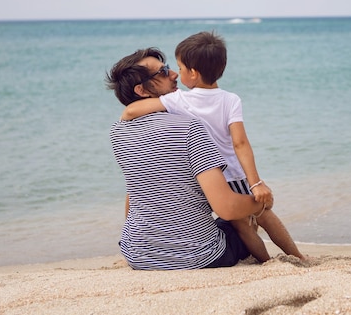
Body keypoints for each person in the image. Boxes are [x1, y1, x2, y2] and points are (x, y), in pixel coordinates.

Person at [121, 31, 305, 262]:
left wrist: (125, 124)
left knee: (243, 228)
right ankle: (297, 256)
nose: (176, 72)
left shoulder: (178, 101)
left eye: (179, 66)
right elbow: (240, 143)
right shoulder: (231, 99)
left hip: (209, 179)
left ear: (193, 73)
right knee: (264, 216)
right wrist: (256, 182)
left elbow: (130, 111)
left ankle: (266, 262)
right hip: (234, 174)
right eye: (167, 69)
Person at [106, 47, 271, 270]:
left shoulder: (118, 132)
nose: (174, 74)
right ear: (142, 90)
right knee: (242, 218)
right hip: (199, 256)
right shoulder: (189, 128)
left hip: (138, 254)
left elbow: (135, 192)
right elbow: (227, 207)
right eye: (163, 72)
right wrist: (261, 204)